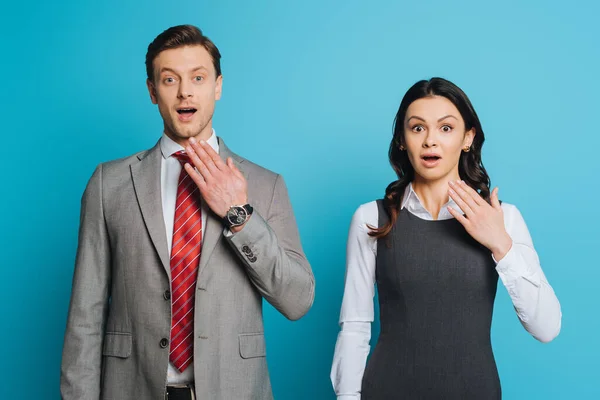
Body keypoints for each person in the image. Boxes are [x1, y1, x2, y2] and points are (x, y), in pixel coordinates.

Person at [60, 24, 315, 400]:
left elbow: (297, 300)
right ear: (152, 91)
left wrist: (238, 212)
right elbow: (85, 314)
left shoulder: (265, 185)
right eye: (169, 79)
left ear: (218, 86)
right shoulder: (107, 184)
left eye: (198, 77)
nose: (184, 92)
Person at [330, 77, 561, 399]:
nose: (430, 141)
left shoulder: (503, 219)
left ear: (468, 138)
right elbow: (354, 326)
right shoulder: (371, 218)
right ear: (401, 140)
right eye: (417, 128)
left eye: (446, 128)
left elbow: (546, 328)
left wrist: (501, 244)